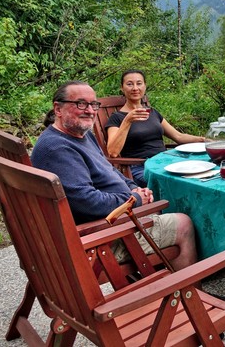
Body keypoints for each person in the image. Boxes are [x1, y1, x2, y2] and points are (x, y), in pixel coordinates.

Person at [31, 80, 198, 270]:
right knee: (183, 222)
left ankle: (161, 278)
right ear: (57, 109)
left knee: (160, 209)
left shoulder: (82, 136)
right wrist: (133, 199)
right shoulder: (58, 149)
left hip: (114, 221)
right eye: (80, 104)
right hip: (99, 238)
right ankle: (189, 293)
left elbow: (110, 170)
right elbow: (87, 202)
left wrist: (133, 186)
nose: (90, 110)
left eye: (93, 104)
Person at [105, 70, 204, 187]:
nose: (135, 88)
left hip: (166, 162)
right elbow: (113, 152)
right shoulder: (117, 118)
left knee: (201, 174)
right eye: (130, 84)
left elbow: (178, 136)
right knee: (179, 183)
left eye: (139, 83)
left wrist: (204, 140)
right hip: (141, 167)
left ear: (145, 86)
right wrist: (128, 120)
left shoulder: (152, 112)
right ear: (122, 88)